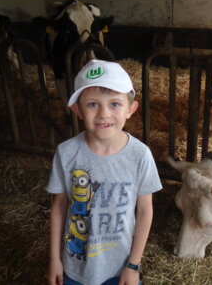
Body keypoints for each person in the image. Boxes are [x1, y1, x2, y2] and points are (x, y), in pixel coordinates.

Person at [46, 59, 162, 285]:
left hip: (121, 269)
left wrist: (133, 264)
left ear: (131, 109)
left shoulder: (140, 155)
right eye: (92, 104)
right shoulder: (66, 153)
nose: (103, 114)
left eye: (115, 104)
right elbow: (58, 208)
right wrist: (54, 260)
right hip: (75, 265)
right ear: (77, 109)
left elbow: (145, 211)